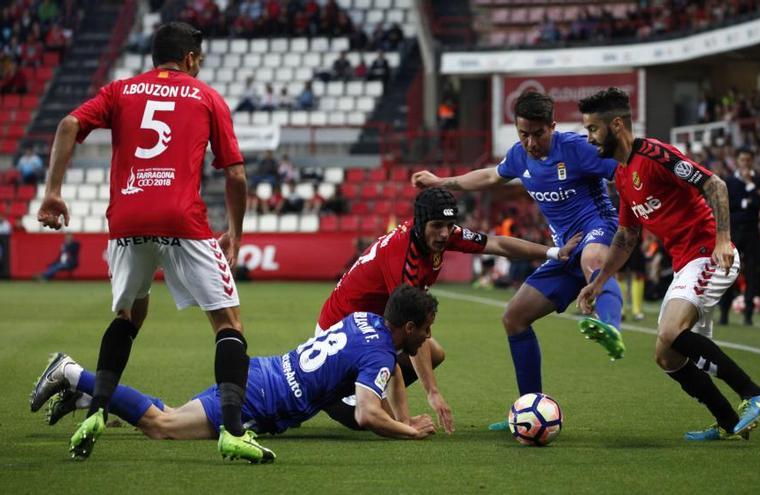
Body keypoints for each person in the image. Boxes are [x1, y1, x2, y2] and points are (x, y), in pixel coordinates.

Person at [34, 22, 273, 463]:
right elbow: (236, 174)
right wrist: (235, 234)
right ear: (190, 59)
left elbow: (68, 124)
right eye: (198, 59)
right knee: (228, 324)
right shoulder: (206, 97)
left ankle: (99, 409)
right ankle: (234, 431)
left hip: (126, 218)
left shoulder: (121, 90)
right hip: (181, 217)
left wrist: (52, 191)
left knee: (130, 315)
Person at [411, 92, 625, 430]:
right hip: (565, 251)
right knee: (514, 318)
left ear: (552, 127)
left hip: (599, 230)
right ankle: (530, 410)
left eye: (537, 133)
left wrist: (642, 211)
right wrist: (442, 182)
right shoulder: (520, 157)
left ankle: (611, 326)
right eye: (523, 134)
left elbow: (624, 165)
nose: (530, 142)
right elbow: (488, 177)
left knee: (593, 256)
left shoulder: (575, 149)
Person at [31, 286, 439, 461]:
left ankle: (87, 395)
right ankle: (73, 373)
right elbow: (367, 413)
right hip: (261, 397)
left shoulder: (367, 318)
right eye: (425, 328)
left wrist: (401, 416)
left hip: (263, 373)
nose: (428, 336)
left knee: (168, 416)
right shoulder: (383, 354)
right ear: (406, 328)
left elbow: (384, 378)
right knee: (163, 425)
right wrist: (410, 430)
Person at [577, 87, 760, 441]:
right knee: (666, 355)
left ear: (617, 125)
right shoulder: (623, 176)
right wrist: (598, 281)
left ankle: (755, 394)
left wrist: (721, 239)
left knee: (670, 333)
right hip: (686, 262)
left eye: (593, 129)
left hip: (709, 253)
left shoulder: (654, 155)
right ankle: (730, 424)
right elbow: (625, 237)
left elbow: (713, 183)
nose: (589, 137)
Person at [316, 187, 583, 433]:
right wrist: (430, 393)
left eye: (448, 225)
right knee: (368, 419)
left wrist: (553, 252)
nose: (445, 233)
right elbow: (409, 329)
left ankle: (365, 392)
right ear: (421, 224)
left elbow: (497, 244)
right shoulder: (403, 258)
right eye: (437, 226)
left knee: (434, 352)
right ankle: (328, 391)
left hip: (369, 326)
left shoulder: (441, 234)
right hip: (341, 333)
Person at [718, 148, 760, 326]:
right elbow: (727, 204)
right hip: (735, 231)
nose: (745, 163)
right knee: (728, 270)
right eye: (742, 160)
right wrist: (746, 202)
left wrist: (750, 185)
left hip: (752, 231)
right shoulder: (729, 181)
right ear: (737, 161)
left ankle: (748, 315)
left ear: (751, 161)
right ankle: (724, 313)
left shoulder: (758, 180)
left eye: (748, 160)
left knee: (752, 272)